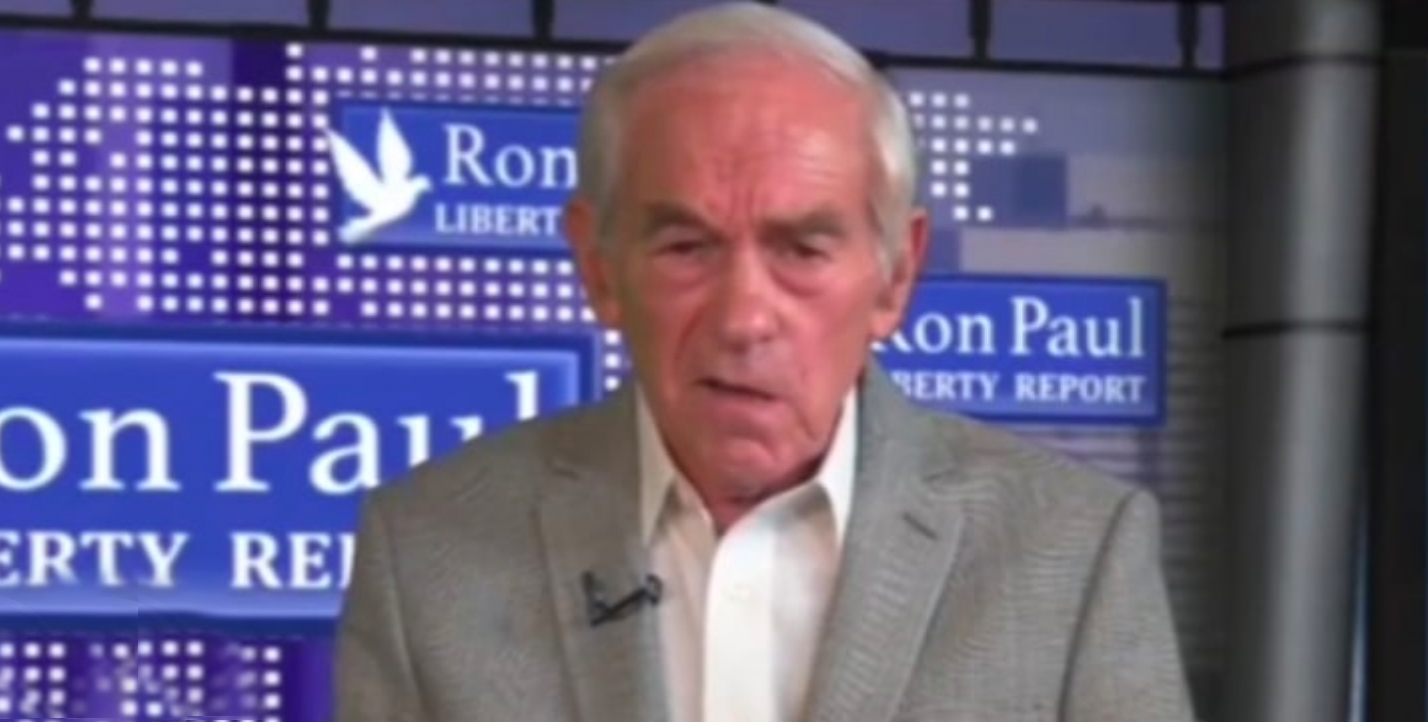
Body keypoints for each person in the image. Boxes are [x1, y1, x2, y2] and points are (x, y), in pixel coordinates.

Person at [330, 3, 1196, 721]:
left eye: (803, 250)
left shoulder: (1073, 551)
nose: (745, 318)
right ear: (598, 268)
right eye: (686, 247)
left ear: (896, 274)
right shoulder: (428, 553)